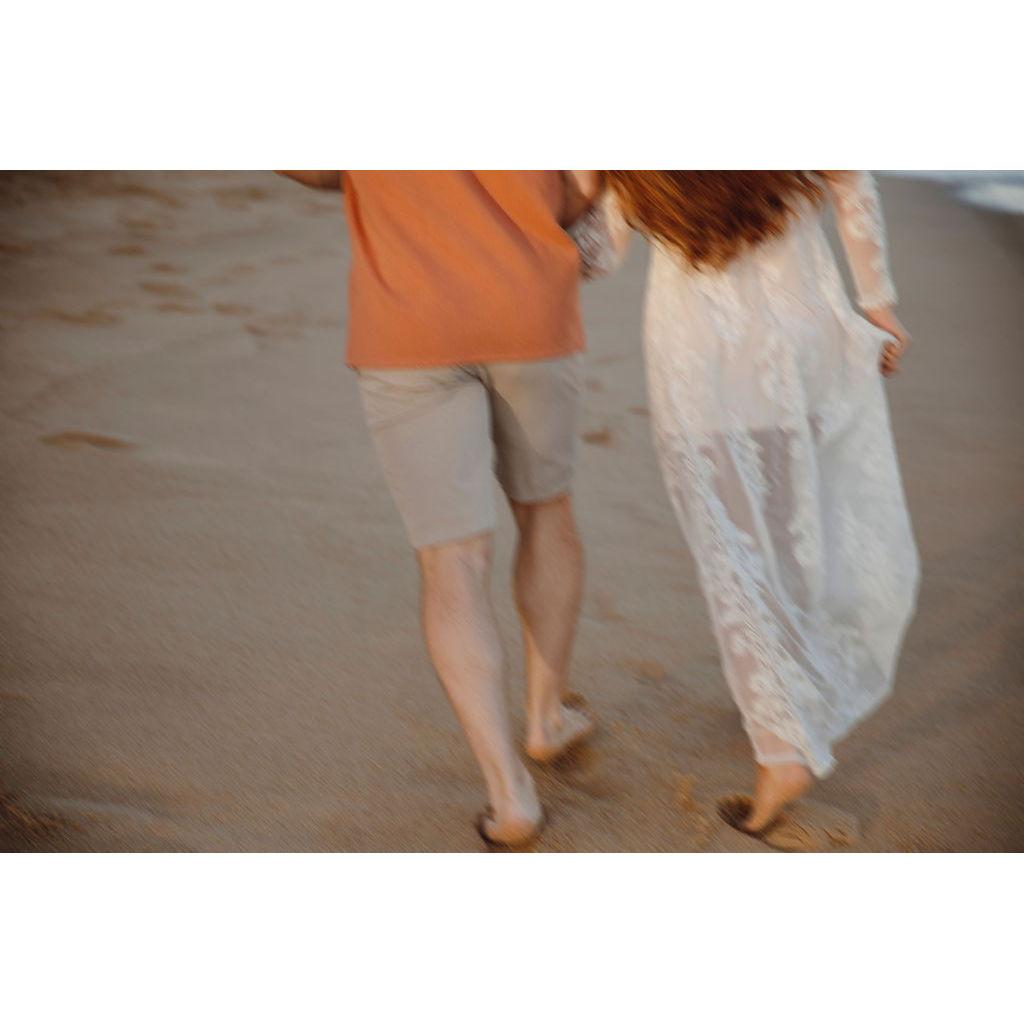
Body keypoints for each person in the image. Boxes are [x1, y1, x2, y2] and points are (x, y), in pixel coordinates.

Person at [571, 171, 920, 839]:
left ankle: (782, 749)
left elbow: (598, 256)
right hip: (799, 339)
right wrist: (877, 303)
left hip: (699, 356)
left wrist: (575, 191)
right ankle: (790, 684)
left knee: (732, 551)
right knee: (791, 528)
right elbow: (853, 187)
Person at [276, 171, 597, 849]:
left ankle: (509, 796)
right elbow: (580, 189)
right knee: (545, 512)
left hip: (407, 320)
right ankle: (546, 719)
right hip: (527, 307)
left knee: (452, 559)